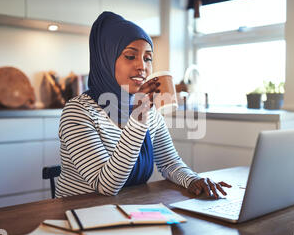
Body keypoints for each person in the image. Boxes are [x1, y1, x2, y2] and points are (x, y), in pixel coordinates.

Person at [56, 11, 231, 199]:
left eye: (148, 58)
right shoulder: (78, 111)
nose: (142, 66)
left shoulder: (148, 110)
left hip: (129, 210)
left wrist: (193, 179)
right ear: (106, 59)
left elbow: (169, 163)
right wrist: (139, 119)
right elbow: (106, 185)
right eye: (130, 56)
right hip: (79, 213)